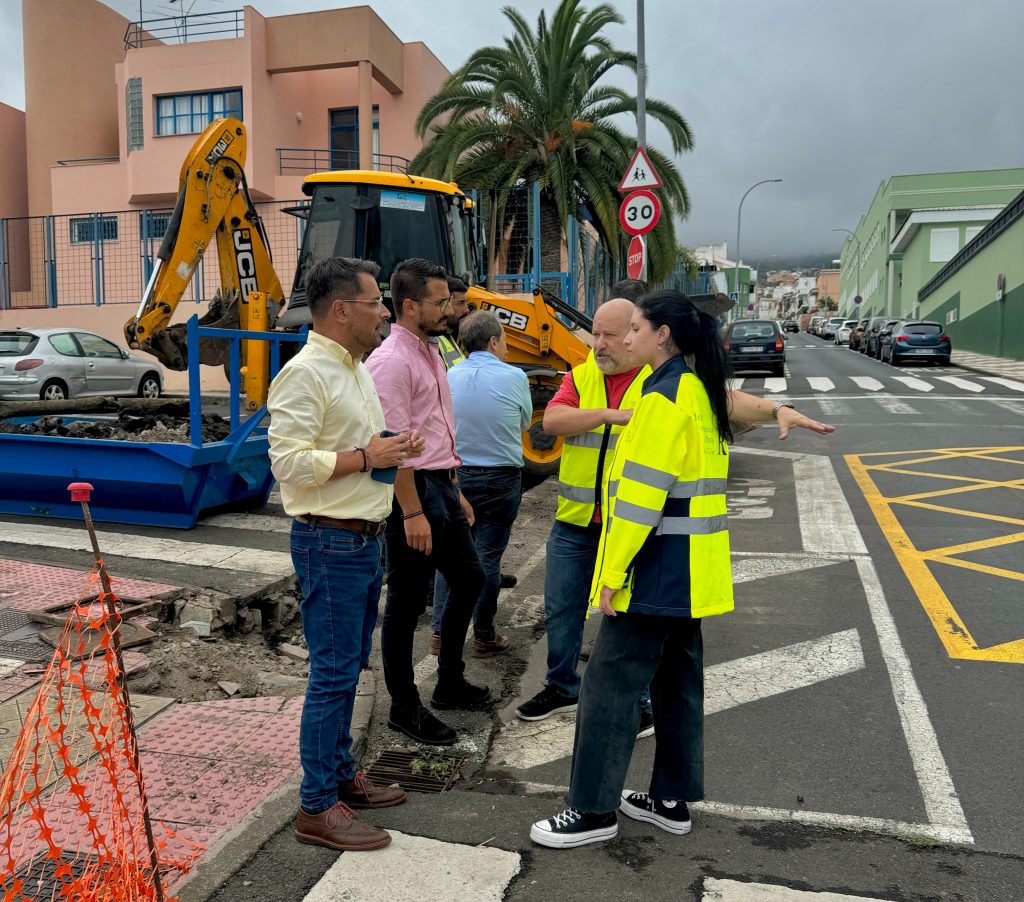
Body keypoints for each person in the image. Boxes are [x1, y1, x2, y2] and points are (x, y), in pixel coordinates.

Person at [515, 283, 832, 731]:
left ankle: (640, 706)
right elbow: (552, 421)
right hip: (576, 521)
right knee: (561, 609)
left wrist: (776, 407)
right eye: (596, 335)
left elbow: (723, 400)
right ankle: (560, 685)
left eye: (612, 334)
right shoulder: (583, 374)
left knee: (631, 627)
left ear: (639, 333)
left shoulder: (658, 380)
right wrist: (610, 415)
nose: (602, 344)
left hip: (634, 530)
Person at [530, 289, 735, 849]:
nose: (627, 337)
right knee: (676, 684)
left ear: (661, 335)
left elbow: (640, 502)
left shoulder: (662, 399)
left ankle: (592, 810)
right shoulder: (693, 390)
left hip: (654, 571)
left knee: (607, 689)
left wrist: (611, 574)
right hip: (691, 572)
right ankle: (670, 800)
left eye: (637, 327)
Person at [268, 256, 423, 852]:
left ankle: (338, 778)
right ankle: (315, 808)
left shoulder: (354, 369)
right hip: (328, 540)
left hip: (362, 538)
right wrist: (368, 458)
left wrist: (386, 448)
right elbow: (288, 464)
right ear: (340, 310)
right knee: (332, 677)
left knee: (350, 667)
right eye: (374, 303)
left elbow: (358, 446)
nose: (384, 312)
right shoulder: (307, 373)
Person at [366, 257, 490, 747]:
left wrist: (454, 489)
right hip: (411, 491)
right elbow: (393, 439)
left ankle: (450, 681)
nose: (449, 309)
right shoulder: (392, 360)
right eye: (439, 302)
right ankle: (403, 707)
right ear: (410, 304)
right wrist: (412, 510)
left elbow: (433, 427)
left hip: (439, 484)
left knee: (470, 577)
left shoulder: (433, 350)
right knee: (406, 601)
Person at [430, 310, 533, 658]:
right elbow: (524, 422)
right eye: (504, 342)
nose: (506, 349)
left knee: (450, 558)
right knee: (488, 557)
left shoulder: (448, 375)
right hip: (500, 479)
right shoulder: (515, 376)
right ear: (492, 341)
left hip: (455, 477)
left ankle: (440, 634)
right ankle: (484, 635)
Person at [436, 276, 470, 370]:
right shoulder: (432, 343)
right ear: (446, 304)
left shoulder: (449, 336)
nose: (466, 310)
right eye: (461, 303)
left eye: (466, 302)